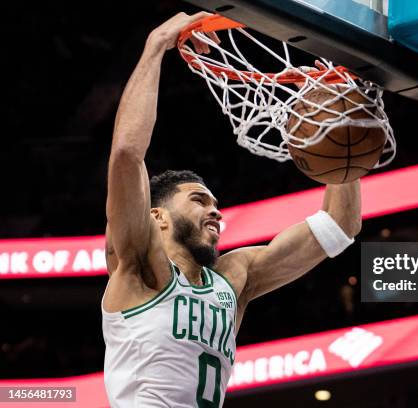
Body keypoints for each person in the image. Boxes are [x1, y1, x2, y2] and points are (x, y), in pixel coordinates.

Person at [101, 11, 361, 408]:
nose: (216, 212)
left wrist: (340, 125)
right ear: (158, 217)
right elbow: (126, 155)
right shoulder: (139, 264)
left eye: (216, 204)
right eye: (199, 200)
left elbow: (340, 226)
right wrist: (157, 44)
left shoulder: (234, 279)